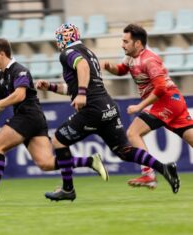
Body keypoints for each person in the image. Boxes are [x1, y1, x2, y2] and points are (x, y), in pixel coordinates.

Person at [36, 23, 180, 201]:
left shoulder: (68, 53)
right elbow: (79, 86)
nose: (58, 42)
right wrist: (50, 86)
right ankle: (163, 168)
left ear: (64, 38)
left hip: (93, 110)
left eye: (59, 38)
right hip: (108, 107)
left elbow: (82, 68)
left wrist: (81, 94)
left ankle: (67, 189)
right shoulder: (88, 52)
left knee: (58, 140)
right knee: (124, 151)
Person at [0, 38, 109, 203]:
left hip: (28, 116)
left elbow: (20, 95)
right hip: (34, 119)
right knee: (46, 163)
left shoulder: (19, 71)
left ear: (2, 54)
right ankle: (90, 161)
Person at [101, 23, 193, 189]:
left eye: (125, 41)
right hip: (174, 102)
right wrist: (110, 67)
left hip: (166, 102)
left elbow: (161, 88)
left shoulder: (149, 60)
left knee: (133, 132)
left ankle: (149, 175)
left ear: (137, 43)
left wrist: (139, 106)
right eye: (122, 41)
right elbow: (122, 70)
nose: (122, 45)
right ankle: (149, 175)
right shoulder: (130, 57)